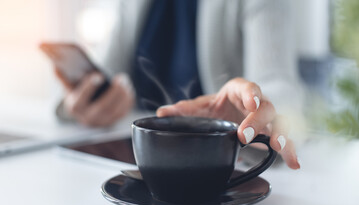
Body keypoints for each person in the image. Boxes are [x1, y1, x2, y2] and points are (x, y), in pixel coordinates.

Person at [55, 0, 303, 170]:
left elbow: (278, 81)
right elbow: (106, 72)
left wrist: (260, 110)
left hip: (214, 167)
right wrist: (79, 102)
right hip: (128, 163)